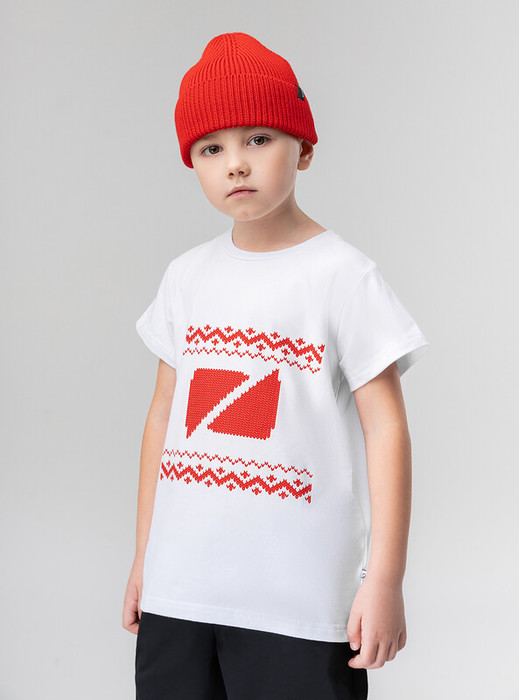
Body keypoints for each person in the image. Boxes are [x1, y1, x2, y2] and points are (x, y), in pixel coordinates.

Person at [122, 31, 430, 700]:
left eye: (258, 139)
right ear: (192, 163)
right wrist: (145, 557)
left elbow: (386, 429)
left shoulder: (342, 277)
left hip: (299, 603)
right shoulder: (186, 277)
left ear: (304, 148)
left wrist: (383, 579)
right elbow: (162, 418)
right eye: (211, 148)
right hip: (181, 593)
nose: (235, 164)